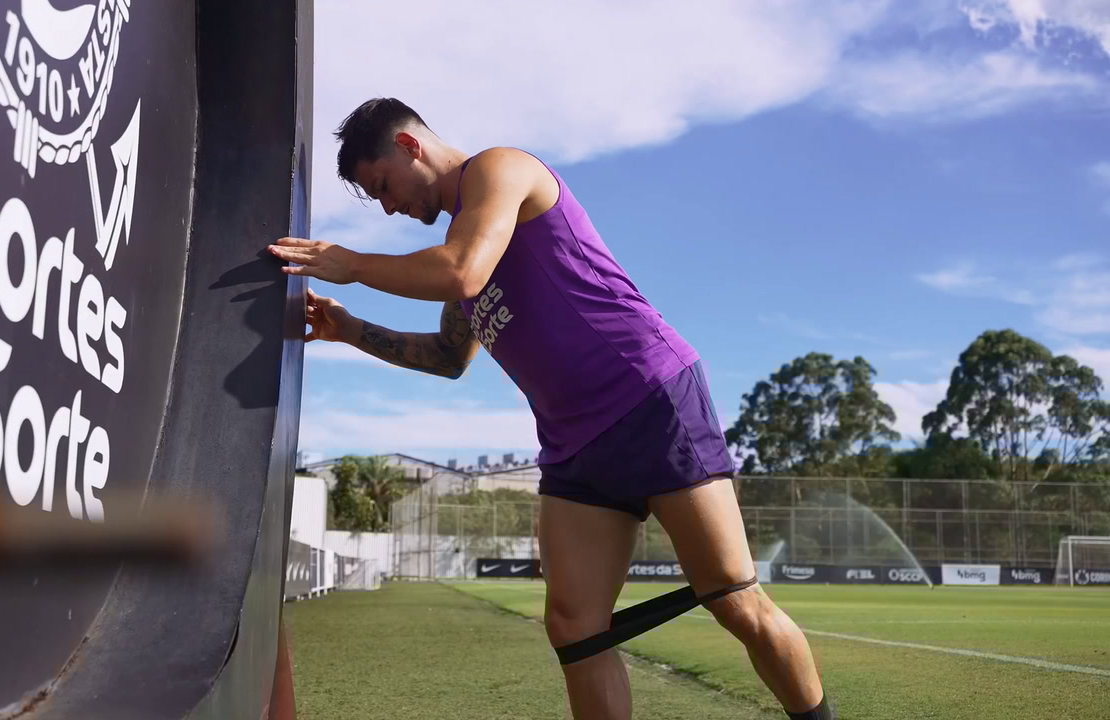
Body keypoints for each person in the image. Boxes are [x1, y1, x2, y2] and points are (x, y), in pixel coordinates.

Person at [267, 98, 834, 720]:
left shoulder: (501, 170)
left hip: (647, 398)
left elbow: (460, 272)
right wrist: (349, 331)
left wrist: (351, 265)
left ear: (409, 148)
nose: (390, 207)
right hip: (572, 445)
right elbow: (449, 358)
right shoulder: (465, 237)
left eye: (383, 187)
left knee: (733, 598)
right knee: (575, 626)